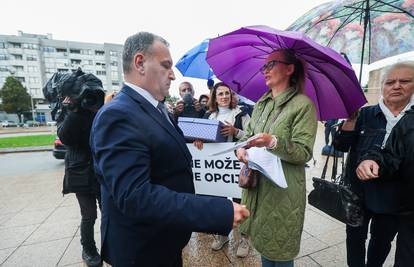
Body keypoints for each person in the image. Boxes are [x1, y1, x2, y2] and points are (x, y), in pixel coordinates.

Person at [90, 32, 250, 267]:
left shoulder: (155, 108)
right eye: (166, 66)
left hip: (163, 239)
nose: (173, 75)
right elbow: (135, 196)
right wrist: (218, 211)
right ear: (140, 63)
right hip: (142, 250)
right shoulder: (118, 115)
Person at [236, 49, 317, 267]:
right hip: (256, 187)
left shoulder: (303, 105)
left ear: (290, 69)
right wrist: (241, 149)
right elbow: (248, 135)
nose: (266, 70)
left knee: (280, 248)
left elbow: (304, 152)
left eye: (271, 64)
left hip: (283, 191)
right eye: (264, 66)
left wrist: (273, 142)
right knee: (263, 242)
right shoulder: (261, 105)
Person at [334, 62, 414, 267]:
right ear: (382, 86)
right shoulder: (365, 114)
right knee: (354, 239)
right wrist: (349, 121)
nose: (396, 86)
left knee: (381, 241)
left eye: (404, 81)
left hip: (394, 198)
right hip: (357, 194)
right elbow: (341, 146)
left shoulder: (411, 120)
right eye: (390, 82)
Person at [193, 82, 251, 257]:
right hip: (218, 169)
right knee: (219, 201)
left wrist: (236, 131)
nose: (224, 96)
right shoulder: (208, 116)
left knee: (241, 200)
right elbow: (201, 139)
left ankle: (245, 239)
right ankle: (222, 234)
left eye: (227, 93)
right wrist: (199, 141)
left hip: (237, 166)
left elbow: (251, 136)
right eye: (220, 94)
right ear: (215, 97)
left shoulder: (242, 113)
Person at [57, 97, 103, 267]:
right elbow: (64, 137)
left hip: (100, 170)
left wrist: (99, 110)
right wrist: (73, 111)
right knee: (89, 214)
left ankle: (111, 243)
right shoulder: (68, 111)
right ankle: (89, 249)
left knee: (108, 211)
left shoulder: (97, 110)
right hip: (79, 171)